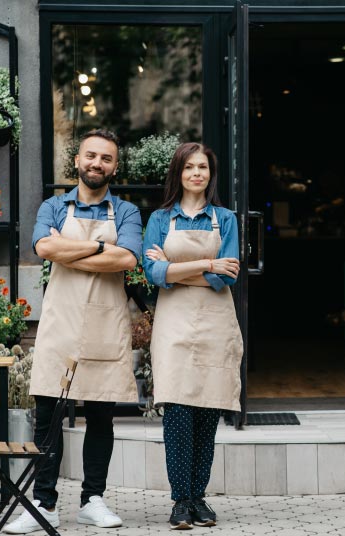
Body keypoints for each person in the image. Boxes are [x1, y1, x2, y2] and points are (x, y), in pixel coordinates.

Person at [4, 129, 142, 534]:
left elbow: (129, 259)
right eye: (91, 155)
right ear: (77, 160)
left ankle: (92, 501)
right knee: (47, 416)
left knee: (101, 413)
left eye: (106, 158)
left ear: (115, 167)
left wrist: (76, 249)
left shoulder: (128, 212)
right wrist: (103, 250)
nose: (97, 163)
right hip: (61, 322)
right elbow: (43, 249)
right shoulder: (53, 205)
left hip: (105, 322)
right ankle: (44, 505)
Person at [142, 142, 243, 530]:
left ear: (209, 174)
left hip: (216, 320)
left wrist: (175, 269)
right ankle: (179, 500)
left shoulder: (226, 219)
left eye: (203, 167)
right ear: (178, 173)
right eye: (189, 167)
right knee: (178, 411)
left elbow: (227, 275)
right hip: (174, 322)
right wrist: (207, 263)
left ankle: (199, 498)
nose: (197, 173)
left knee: (208, 408)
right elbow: (152, 274)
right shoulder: (160, 218)